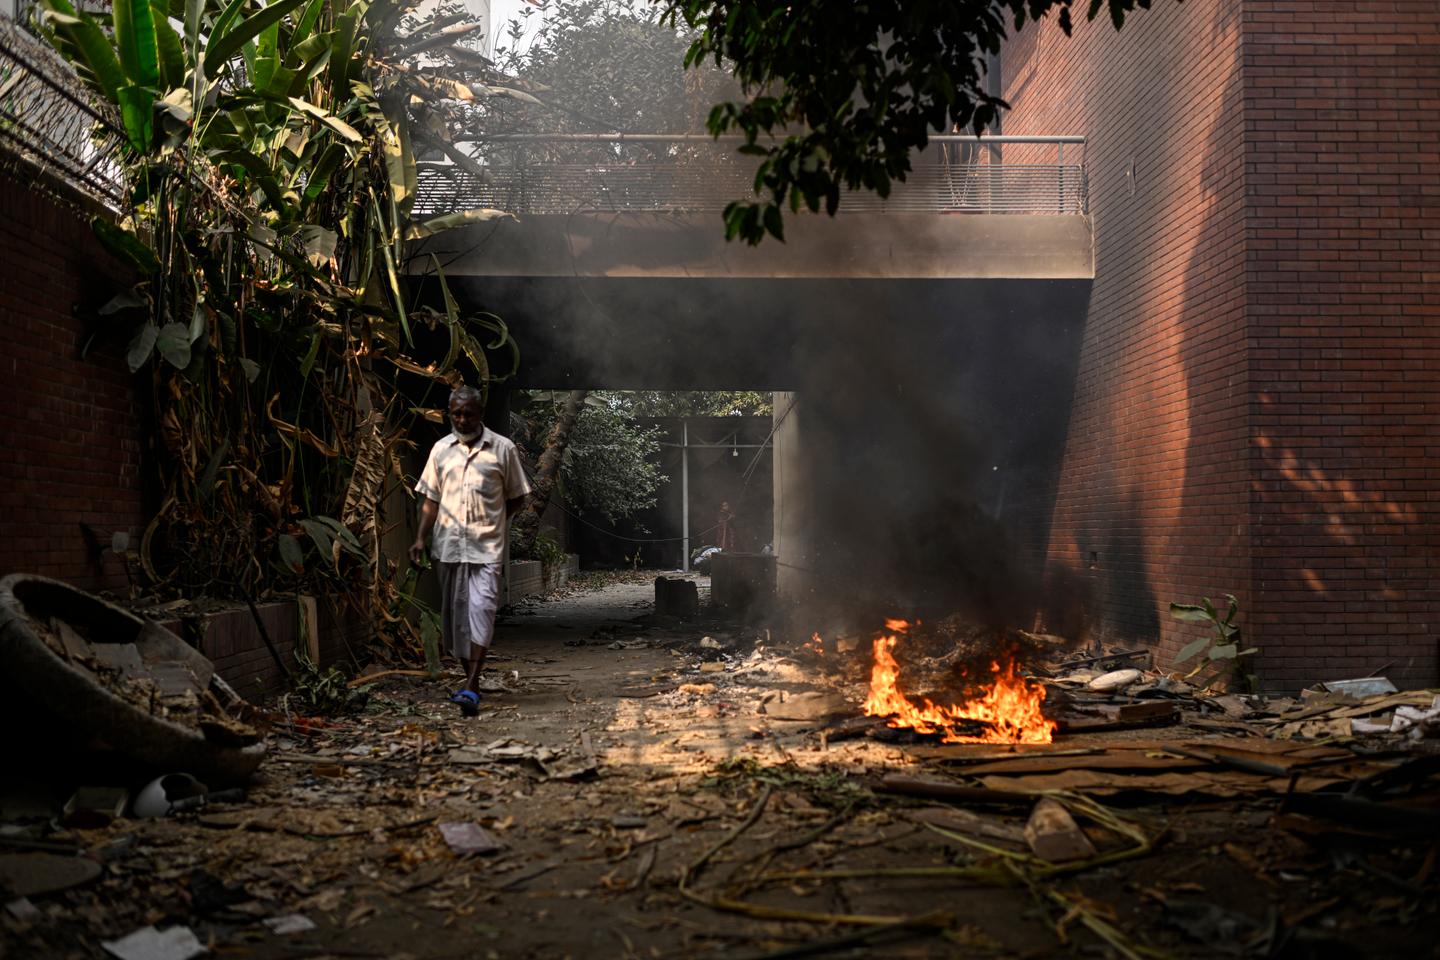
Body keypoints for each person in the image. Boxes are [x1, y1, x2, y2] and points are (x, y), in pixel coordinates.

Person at [409, 385, 532, 716]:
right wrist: (421, 538)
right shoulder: (440, 451)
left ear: (481, 414)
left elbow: (518, 496)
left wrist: (498, 522)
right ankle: (470, 681)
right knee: (458, 624)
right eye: (457, 413)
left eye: (469, 413)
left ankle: (472, 683)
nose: (462, 419)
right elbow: (430, 499)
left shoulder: (502, 449)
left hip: (486, 549)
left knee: (482, 613)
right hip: (448, 548)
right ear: (451, 413)